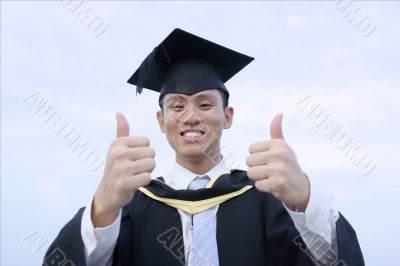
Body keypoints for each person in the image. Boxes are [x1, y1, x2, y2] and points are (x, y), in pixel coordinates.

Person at [44, 28, 364, 266]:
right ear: (161, 120)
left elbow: (337, 261)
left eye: (205, 105)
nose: (191, 117)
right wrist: (102, 208)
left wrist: (307, 198)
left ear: (227, 117)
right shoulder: (129, 204)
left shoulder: (267, 197)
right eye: (178, 107)